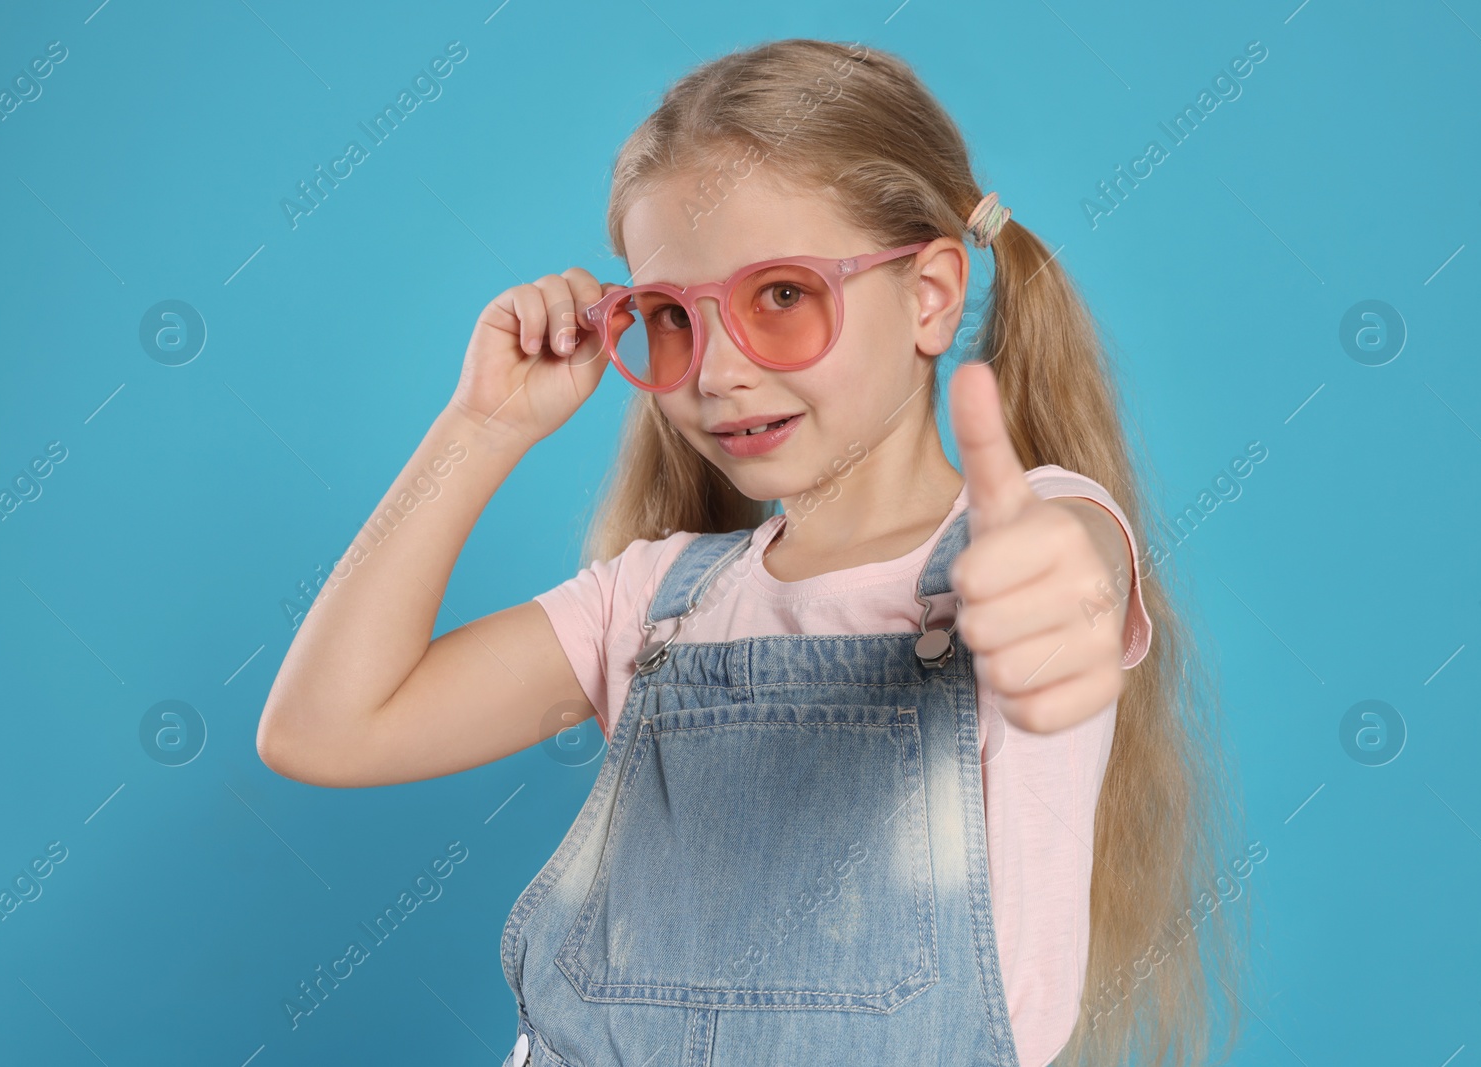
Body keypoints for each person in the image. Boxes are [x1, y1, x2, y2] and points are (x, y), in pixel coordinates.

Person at [257, 37, 1248, 1067]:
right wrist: (482, 424)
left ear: (931, 294)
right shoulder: (652, 605)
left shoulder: (1032, 529)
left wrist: (1051, 612)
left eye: (780, 294)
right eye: (672, 317)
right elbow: (326, 728)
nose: (718, 371)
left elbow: (1068, 581)